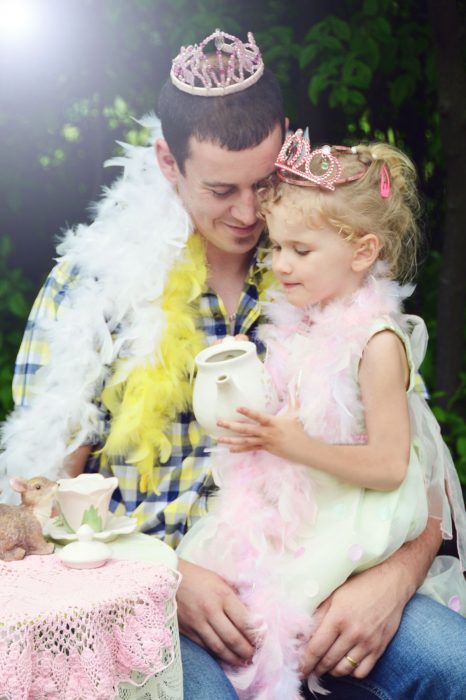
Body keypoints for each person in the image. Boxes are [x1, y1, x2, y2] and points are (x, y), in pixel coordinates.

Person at [1, 28, 465, 699]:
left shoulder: (320, 262)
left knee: (453, 665)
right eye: (221, 189)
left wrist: (391, 583)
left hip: (320, 573)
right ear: (167, 161)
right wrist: (165, 577)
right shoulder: (94, 289)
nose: (249, 215)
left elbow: (416, 474)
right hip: (154, 601)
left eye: (264, 181)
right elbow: (39, 503)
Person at [177, 130, 466, 698]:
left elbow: (388, 466)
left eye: (300, 251)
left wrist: (291, 445)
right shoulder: (303, 324)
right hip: (302, 519)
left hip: (352, 529)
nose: (280, 264)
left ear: (362, 252)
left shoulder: (380, 344)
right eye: (277, 248)